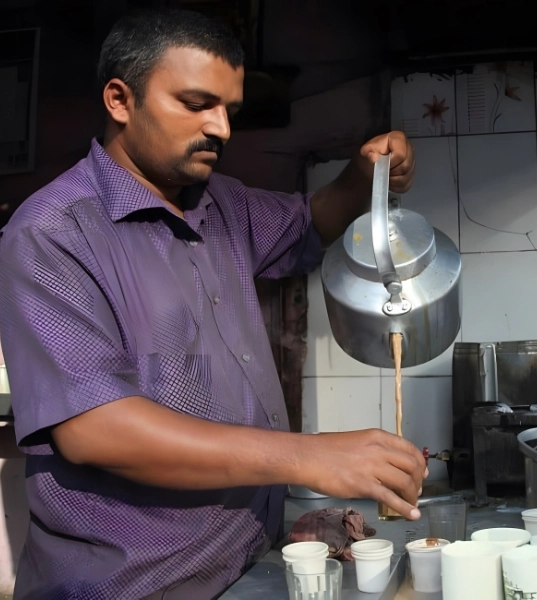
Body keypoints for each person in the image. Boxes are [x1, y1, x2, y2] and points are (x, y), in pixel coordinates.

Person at [0, 8, 424, 599]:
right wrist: (307, 457)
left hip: (242, 569)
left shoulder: (220, 204)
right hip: (135, 586)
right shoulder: (53, 232)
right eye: (197, 104)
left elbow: (312, 221)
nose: (221, 128)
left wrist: (363, 174)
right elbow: (96, 429)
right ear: (120, 100)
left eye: (229, 109)